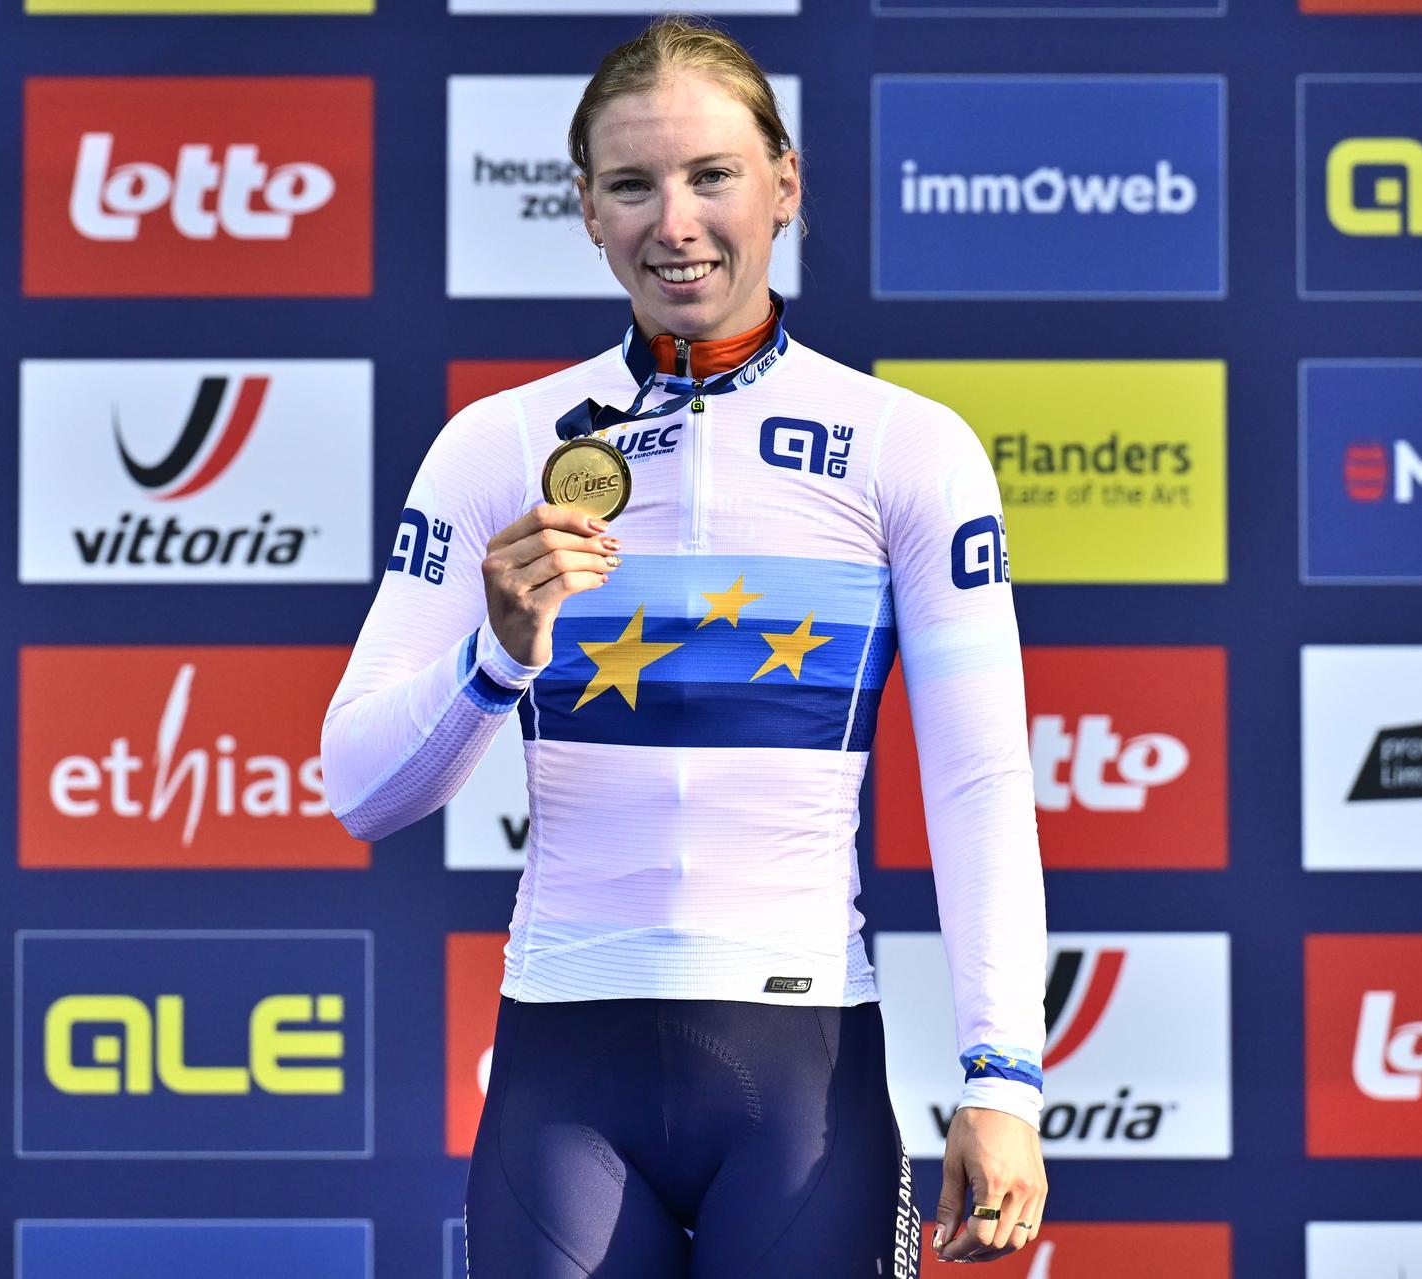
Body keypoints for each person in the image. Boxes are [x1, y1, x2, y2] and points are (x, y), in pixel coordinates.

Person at [322, 15, 1047, 1276]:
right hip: (565, 1068)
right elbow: (359, 790)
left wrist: (1005, 1076)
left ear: (785, 185)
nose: (677, 221)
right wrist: (493, 655)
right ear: (586, 211)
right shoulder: (498, 447)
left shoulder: (905, 448)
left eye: (712, 175)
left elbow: (980, 782)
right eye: (632, 184)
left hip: (803, 1064)